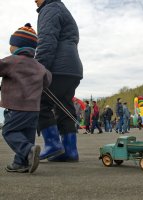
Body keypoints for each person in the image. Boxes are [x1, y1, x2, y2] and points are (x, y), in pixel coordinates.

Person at [35, 0, 83, 162]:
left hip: (58, 68)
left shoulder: (50, 9)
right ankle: (70, 151)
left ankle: (53, 144)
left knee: (39, 102)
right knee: (65, 108)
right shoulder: (61, 8)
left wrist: (38, 70)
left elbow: (46, 41)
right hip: (73, 69)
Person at [0, 23, 52, 173]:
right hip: (34, 109)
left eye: (11, 45)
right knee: (27, 136)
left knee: (9, 131)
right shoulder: (39, 66)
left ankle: (28, 150)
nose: (10, 48)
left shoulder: (11, 61)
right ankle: (20, 163)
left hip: (17, 107)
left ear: (17, 46)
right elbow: (47, 80)